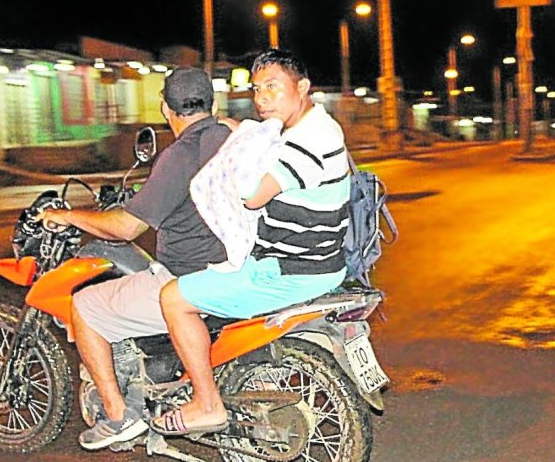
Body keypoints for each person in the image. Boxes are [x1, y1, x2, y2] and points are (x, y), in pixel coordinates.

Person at [153, 48, 350, 436]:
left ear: (303, 87)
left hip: (291, 271)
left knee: (173, 298)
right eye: (257, 89)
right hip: (317, 260)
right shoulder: (312, 126)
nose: (261, 98)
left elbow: (252, 195)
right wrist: (243, 130)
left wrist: (236, 151)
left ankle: (206, 404)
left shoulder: (309, 140)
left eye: (273, 87)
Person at [39, 66, 230, 450]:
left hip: (188, 275)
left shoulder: (180, 155)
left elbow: (125, 228)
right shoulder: (227, 137)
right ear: (212, 103)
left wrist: (70, 215)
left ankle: (117, 416)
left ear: (165, 108)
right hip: (230, 265)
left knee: (85, 304)